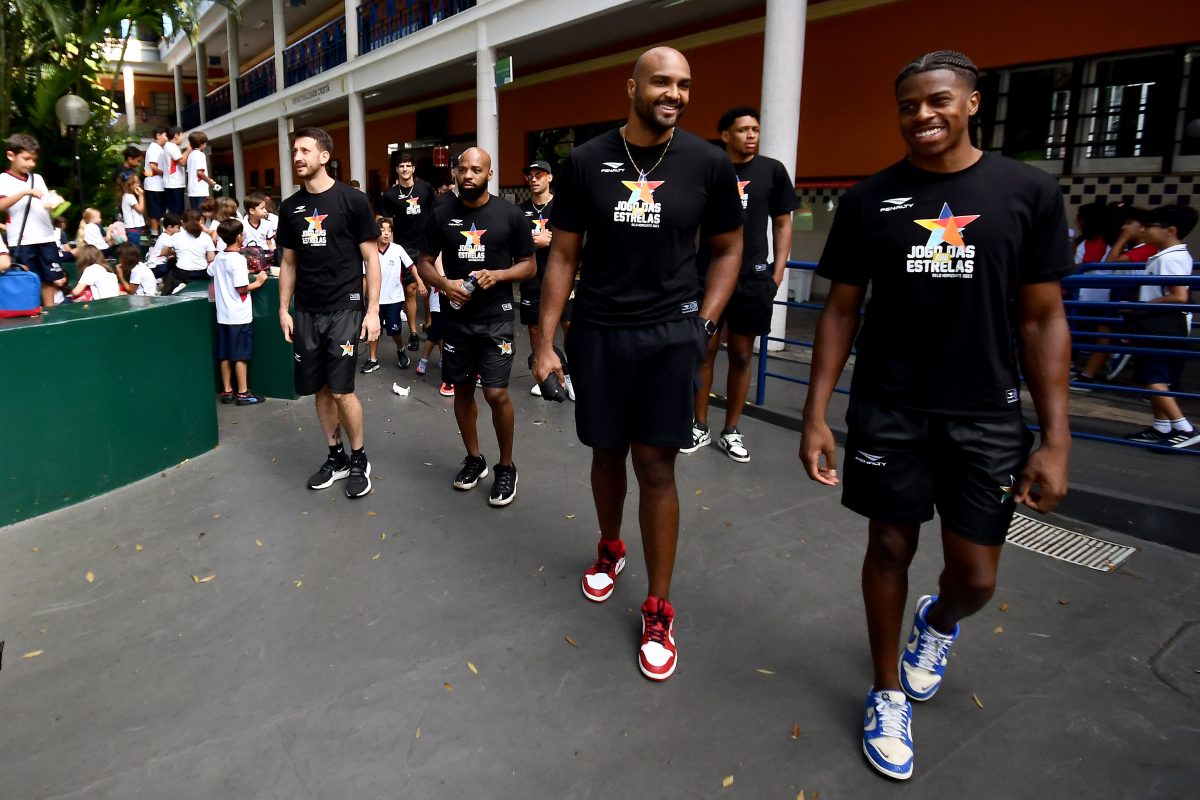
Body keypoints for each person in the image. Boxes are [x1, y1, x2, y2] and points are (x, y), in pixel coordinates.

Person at [798, 51, 1073, 781]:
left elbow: (1044, 319)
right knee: (889, 546)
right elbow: (841, 311)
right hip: (889, 408)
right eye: (909, 105)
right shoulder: (869, 201)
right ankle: (887, 691)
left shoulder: (1027, 192)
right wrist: (817, 413)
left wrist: (1056, 439)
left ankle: (939, 621)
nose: (922, 115)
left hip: (986, 415)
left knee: (975, 577)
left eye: (939, 100)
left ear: (972, 103)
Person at [533, 47, 744, 682]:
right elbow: (563, 256)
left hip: (669, 335)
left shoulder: (708, 162)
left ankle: (658, 606)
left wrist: (705, 323)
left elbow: (729, 249)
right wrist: (545, 341)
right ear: (632, 87)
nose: (674, 93)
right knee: (606, 452)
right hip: (599, 331)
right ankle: (610, 548)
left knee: (656, 466)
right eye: (661, 82)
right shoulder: (585, 161)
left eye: (684, 83)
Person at [416, 147, 535, 507]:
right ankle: (474, 458)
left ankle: (506, 467)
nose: (468, 175)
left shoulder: (510, 215)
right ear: (455, 173)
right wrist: (444, 284)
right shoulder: (440, 214)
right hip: (456, 320)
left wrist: (499, 275)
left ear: (489, 174)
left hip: (496, 317)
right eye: (463, 169)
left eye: (476, 169)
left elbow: (529, 265)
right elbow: (423, 262)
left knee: (496, 394)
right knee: (463, 391)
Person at [684, 105, 798, 461]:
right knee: (703, 350)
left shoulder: (772, 171)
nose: (751, 136)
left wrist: (778, 272)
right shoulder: (709, 169)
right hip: (708, 276)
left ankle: (731, 429)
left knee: (742, 354)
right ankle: (699, 425)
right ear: (725, 135)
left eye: (755, 130)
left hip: (753, 279)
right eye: (743, 130)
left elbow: (783, 223)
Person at [277, 127, 382, 499]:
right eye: (294, 151)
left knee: (341, 390)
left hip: (344, 309)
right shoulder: (290, 208)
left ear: (324, 156)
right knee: (319, 388)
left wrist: (373, 311)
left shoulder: (352, 200)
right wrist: (283, 309)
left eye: (305, 150)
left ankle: (359, 458)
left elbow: (371, 259)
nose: (297, 157)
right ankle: (335, 456)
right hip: (307, 311)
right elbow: (288, 263)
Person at [1122, 204, 1199, 449]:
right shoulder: (1167, 255)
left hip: (1161, 325)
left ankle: (1184, 428)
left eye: (1150, 226)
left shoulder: (1169, 258)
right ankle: (1161, 426)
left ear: (1170, 230)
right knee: (1156, 377)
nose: (1143, 230)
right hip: (1163, 324)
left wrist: (1141, 307)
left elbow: (1179, 295)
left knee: (1153, 377)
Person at [1073, 206, 1156, 388]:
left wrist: (1123, 238)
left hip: (1129, 298)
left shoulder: (1146, 249)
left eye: (1129, 224)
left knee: (1108, 335)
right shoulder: (1132, 248)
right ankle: (1089, 375)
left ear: (1142, 228)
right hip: (1119, 296)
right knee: (1103, 335)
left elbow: (1110, 262)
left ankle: (1122, 348)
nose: (1124, 227)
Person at [518, 160, 575, 400]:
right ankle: (544, 376)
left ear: (550, 178)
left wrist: (550, 242)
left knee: (568, 325)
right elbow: (515, 244)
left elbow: (574, 242)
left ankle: (572, 374)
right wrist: (535, 242)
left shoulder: (562, 206)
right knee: (534, 328)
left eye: (539, 175)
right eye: (530, 176)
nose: (533, 179)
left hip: (560, 278)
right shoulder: (521, 211)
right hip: (532, 278)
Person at [0, 133, 68, 307]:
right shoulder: (3, 179)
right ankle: (31, 312)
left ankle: (50, 312)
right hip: (22, 240)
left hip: (46, 236)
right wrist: (24, 192)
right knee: (28, 278)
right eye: (26, 159)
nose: (31, 164)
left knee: (50, 277)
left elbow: (45, 202)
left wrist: (55, 202)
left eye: (34, 160)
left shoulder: (37, 178)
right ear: (11, 156)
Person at [379, 152, 435, 352]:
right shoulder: (390, 195)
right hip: (404, 248)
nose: (405, 169)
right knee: (410, 290)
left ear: (413, 168)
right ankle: (413, 332)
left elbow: (435, 215)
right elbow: (387, 225)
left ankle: (429, 323)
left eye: (408, 165)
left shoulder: (425, 188)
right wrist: (389, 250)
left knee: (428, 289)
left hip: (426, 247)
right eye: (401, 166)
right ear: (397, 169)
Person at [210, 218, 268, 406]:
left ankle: (227, 391)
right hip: (239, 315)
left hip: (223, 315)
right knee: (240, 355)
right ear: (239, 236)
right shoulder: (238, 260)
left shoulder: (220, 257)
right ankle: (243, 393)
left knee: (225, 354)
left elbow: (211, 271)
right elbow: (241, 288)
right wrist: (258, 282)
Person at [361, 215, 416, 373]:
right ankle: (373, 359)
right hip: (375, 300)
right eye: (382, 230)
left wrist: (419, 282)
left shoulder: (397, 249)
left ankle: (400, 350)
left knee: (395, 330)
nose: (386, 233)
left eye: (389, 230)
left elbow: (411, 266)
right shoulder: (369, 251)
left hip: (394, 298)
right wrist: (362, 298)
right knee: (374, 330)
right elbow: (364, 277)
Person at [158, 209, 215, 295]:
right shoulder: (206, 237)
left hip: (182, 273)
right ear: (200, 221)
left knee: (170, 270)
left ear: (182, 222)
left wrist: (175, 252)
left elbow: (164, 253)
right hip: (201, 273)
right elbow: (211, 258)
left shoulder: (176, 236)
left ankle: (169, 292)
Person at [143, 127, 168, 238]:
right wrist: (164, 173)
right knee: (155, 211)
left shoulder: (159, 148)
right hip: (154, 185)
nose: (167, 138)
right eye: (165, 135)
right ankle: (154, 234)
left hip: (159, 184)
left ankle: (157, 232)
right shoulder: (154, 148)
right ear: (158, 135)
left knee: (160, 211)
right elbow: (152, 165)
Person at [186, 131, 218, 210]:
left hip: (192, 190)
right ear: (202, 144)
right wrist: (210, 182)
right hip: (200, 190)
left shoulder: (190, 155)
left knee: (195, 213)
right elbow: (200, 172)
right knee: (201, 213)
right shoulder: (200, 155)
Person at [163, 125, 189, 216]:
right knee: (177, 212)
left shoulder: (169, 146)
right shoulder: (172, 146)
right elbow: (182, 162)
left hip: (172, 183)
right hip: (174, 184)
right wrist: (188, 150)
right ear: (176, 135)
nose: (182, 138)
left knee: (176, 211)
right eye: (181, 135)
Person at [146, 212, 181, 277]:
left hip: (158, 265)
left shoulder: (166, 236)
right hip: (156, 267)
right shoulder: (166, 238)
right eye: (178, 228)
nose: (179, 230)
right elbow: (167, 252)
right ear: (169, 228)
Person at [119, 174, 146, 247]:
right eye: (135, 183)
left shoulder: (126, 196)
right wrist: (141, 195)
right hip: (133, 228)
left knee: (132, 247)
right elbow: (140, 209)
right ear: (129, 184)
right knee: (135, 247)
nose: (138, 185)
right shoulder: (130, 197)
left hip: (132, 228)